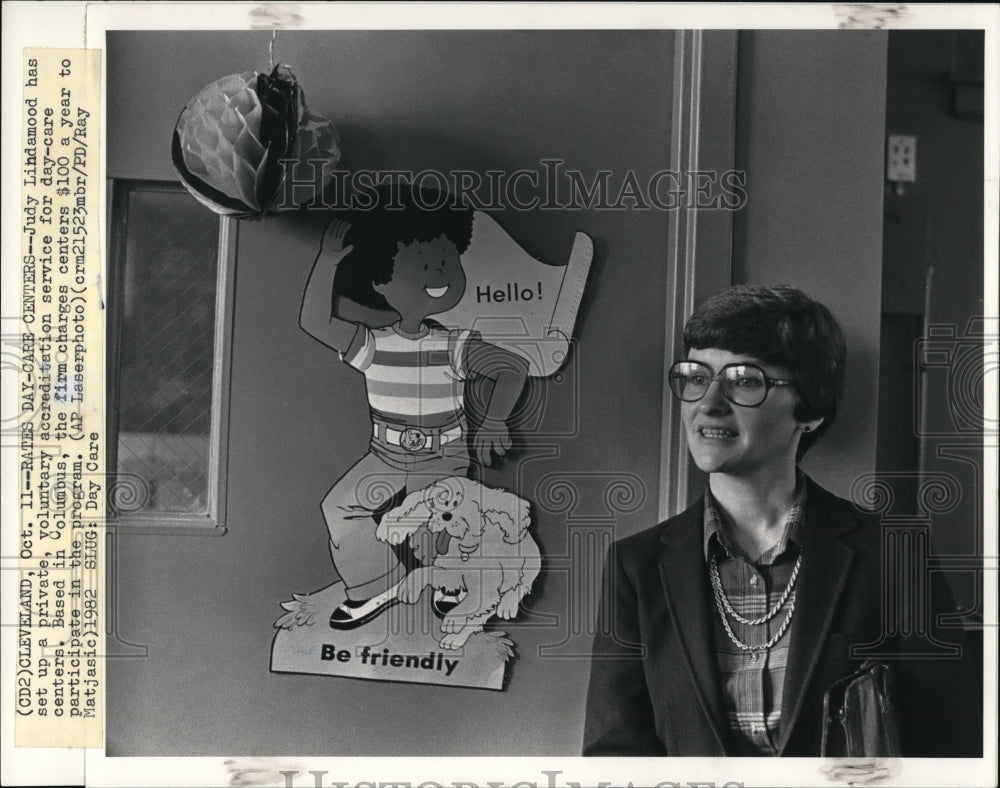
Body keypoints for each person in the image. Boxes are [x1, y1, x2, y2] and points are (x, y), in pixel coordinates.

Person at [583, 284, 980, 757]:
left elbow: (951, 750)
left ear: (808, 410)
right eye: (695, 376)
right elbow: (614, 756)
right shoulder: (636, 567)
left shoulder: (896, 555)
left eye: (744, 380)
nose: (708, 403)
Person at [300, 185, 528, 630]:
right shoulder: (372, 345)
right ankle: (373, 585)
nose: (437, 274)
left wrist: (494, 419)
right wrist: (328, 261)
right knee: (341, 508)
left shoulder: (455, 345)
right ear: (383, 282)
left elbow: (512, 368)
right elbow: (313, 321)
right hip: (384, 455)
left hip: (443, 456)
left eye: (445, 262)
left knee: (436, 523)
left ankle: (451, 584)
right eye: (422, 266)